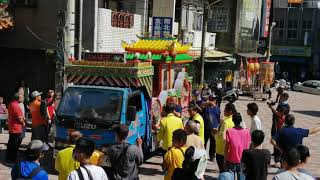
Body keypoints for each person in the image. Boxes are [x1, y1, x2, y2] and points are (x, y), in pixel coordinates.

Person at [224, 113, 250, 180]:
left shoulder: (229, 131)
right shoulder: (246, 132)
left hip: (232, 159)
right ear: (240, 121)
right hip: (243, 160)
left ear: (233, 120)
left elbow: (227, 147)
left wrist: (225, 158)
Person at [214, 103, 237, 172]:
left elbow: (222, 137)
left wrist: (215, 135)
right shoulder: (233, 120)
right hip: (230, 149)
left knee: (223, 170)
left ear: (230, 111)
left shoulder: (225, 122)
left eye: (225, 110)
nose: (223, 111)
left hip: (221, 150)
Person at [6, 92, 25, 162]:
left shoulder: (11, 103)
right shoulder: (17, 106)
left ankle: (8, 156)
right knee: (14, 144)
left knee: (11, 142)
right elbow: (20, 119)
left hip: (12, 126)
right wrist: (24, 123)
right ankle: (12, 158)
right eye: (22, 97)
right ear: (19, 98)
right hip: (16, 128)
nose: (23, 98)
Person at [204, 95, 220, 160]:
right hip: (207, 127)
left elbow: (218, 118)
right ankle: (204, 156)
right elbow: (202, 104)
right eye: (212, 99)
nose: (214, 101)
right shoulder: (206, 107)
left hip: (214, 128)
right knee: (205, 142)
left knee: (213, 143)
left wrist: (218, 126)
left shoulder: (217, 108)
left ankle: (212, 156)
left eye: (215, 99)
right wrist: (208, 103)